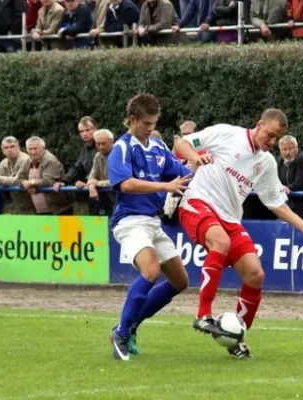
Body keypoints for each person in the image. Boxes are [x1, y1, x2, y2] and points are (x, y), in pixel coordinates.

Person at [173, 108, 303, 359]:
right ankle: (203, 315)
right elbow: (181, 143)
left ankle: (236, 338)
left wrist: (302, 225)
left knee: (255, 275)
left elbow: (274, 201)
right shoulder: (226, 133)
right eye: (270, 134)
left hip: (230, 218)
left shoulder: (266, 163)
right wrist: (195, 157)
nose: (272, 142)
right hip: (198, 203)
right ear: (258, 125)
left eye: (277, 138)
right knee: (220, 242)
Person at [108, 93, 193, 361]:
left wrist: (205, 164)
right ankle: (120, 333)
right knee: (151, 270)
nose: (151, 128)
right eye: (146, 123)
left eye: (154, 123)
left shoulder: (158, 148)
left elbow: (182, 174)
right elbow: (125, 184)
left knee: (180, 281)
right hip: (130, 221)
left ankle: (130, 325)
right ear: (132, 120)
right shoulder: (121, 148)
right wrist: (165, 186)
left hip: (152, 222)